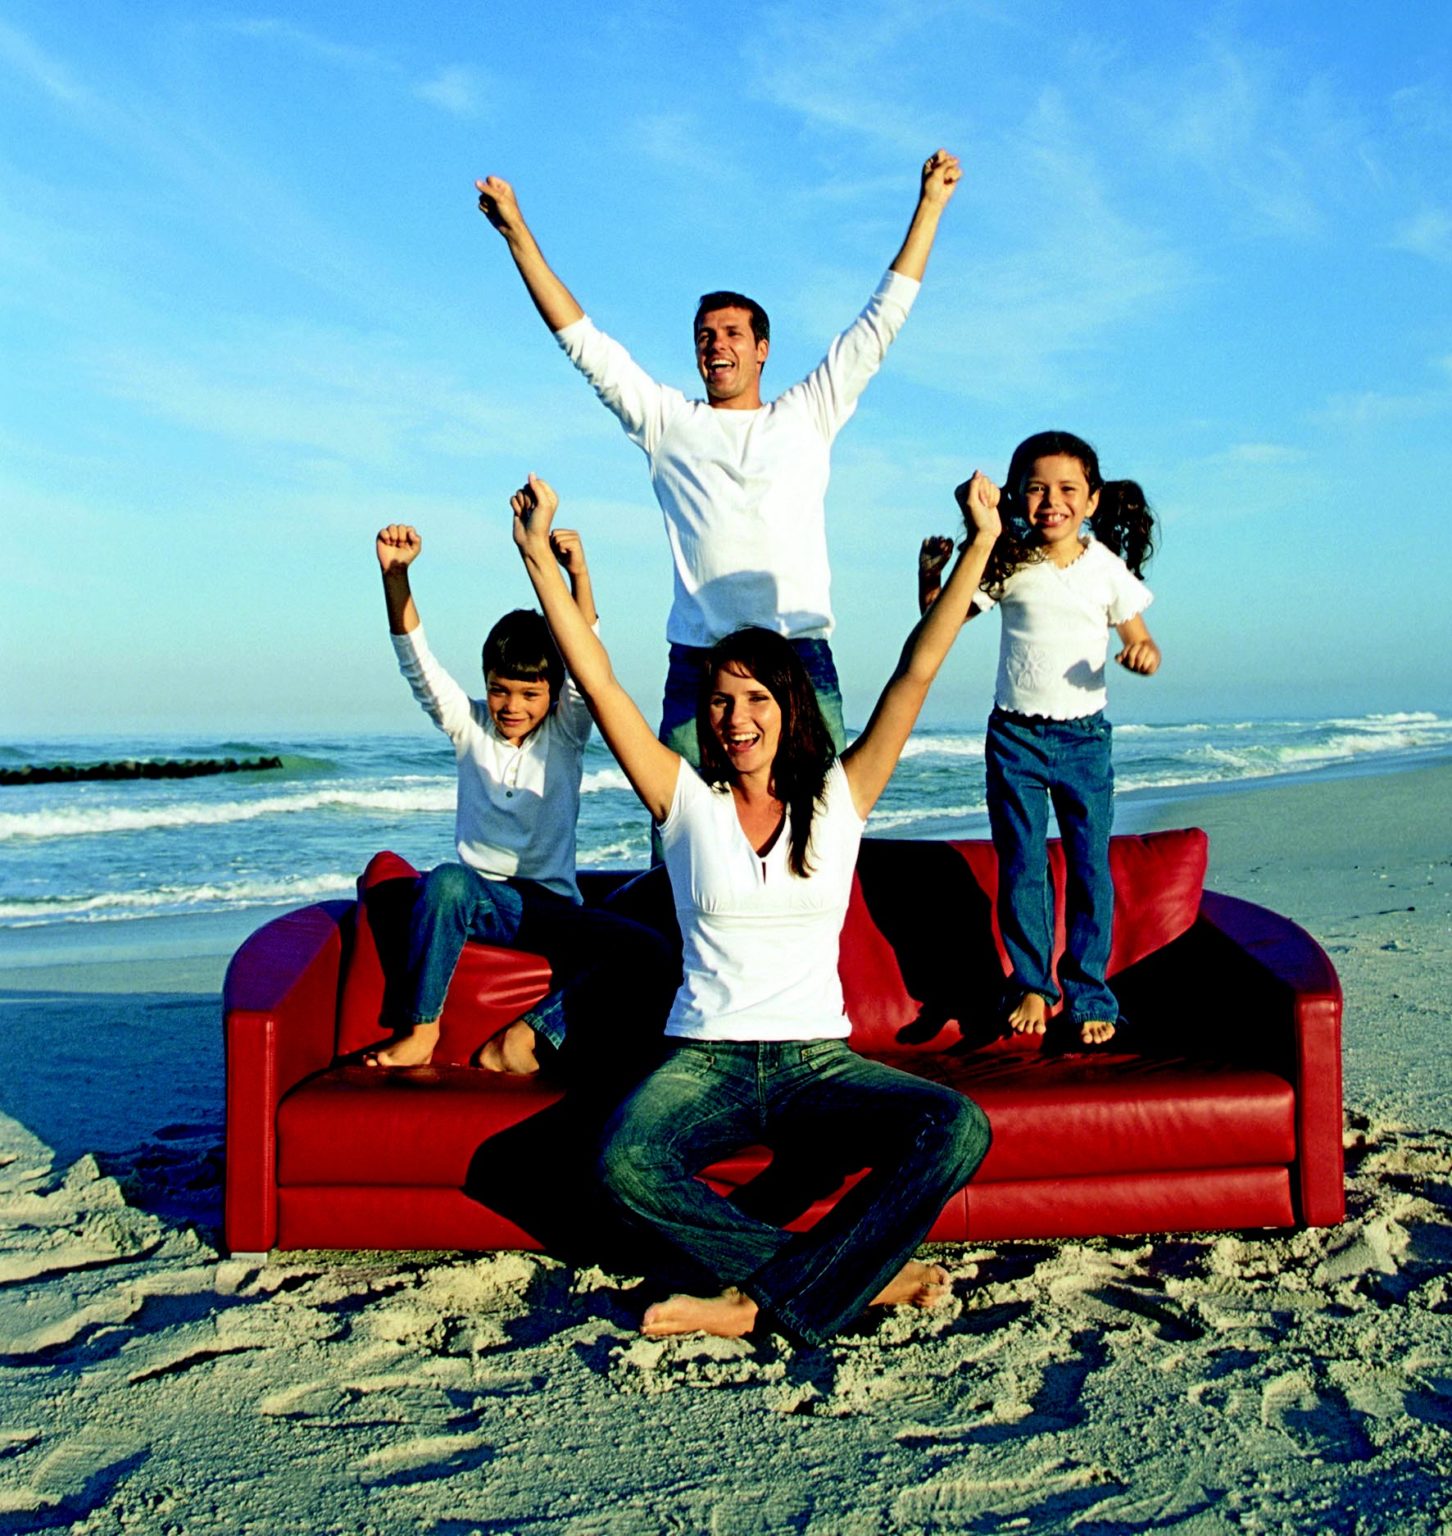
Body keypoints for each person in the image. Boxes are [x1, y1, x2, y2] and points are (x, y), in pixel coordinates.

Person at [509, 468, 999, 1348]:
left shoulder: (840, 799)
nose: (737, 719)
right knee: (621, 1164)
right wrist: (538, 555)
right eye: (721, 701)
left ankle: (753, 1303)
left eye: (757, 700)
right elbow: (601, 683)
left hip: (819, 1063)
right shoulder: (684, 803)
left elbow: (916, 671)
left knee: (956, 1127)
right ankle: (851, 1279)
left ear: (789, 708)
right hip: (706, 1062)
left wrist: (983, 542)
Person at [474, 151, 961, 764]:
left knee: (822, 818)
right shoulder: (669, 423)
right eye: (704, 336)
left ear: (762, 349)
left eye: (732, 333)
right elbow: (583, 343)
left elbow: (880, 322)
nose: (715, 345)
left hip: (798, 656)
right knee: (679, 819)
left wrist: (929, 206)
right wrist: (517, 235)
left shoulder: (809, 412)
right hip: (700, 663)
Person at [366, 521, 672, 1073]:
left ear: (551, 693)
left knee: (648, 948)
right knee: (445, 881)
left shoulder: (567, 730)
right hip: (482, 900)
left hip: (552, 909)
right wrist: (396, 577)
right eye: (499, 690)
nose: (512, 706)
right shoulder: (468, 725)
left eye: (530, 694)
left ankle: (529, 1038)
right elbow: (417, 662)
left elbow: (588, 664)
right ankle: (422, 1027)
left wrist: (579, 574)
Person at [919, 430, 1161, 1047]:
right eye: (1036, 489)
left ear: (1092, 500)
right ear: (1016, 497)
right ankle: (1031, 982)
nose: (1051, 501)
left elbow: (1140, 636)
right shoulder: (1010, 562)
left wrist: (1141, 652)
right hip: (1015, 737)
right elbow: (943, 618)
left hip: (1084, 740)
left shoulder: (1104, 568)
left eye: (1067, 489)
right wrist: (930, 574)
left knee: (1089, 866)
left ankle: (1089, 993)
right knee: (1023, 862)